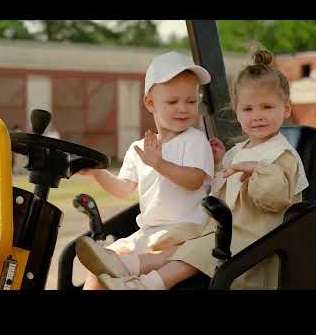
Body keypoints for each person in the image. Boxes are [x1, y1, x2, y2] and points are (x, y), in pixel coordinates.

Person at [78, 49, 309, 290]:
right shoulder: (238, 151)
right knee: (100, 266)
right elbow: (224, 188)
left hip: (250, 238)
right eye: (249, 109)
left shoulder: (280, 154)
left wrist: (255, 171)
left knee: (194, 250)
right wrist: (96, 172)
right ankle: (129, 273)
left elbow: (274, 196)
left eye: (267, 107)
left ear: (286, 109)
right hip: (203, 231)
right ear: (237, 112)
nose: (258, 116)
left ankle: (144, 284)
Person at [76, 51, 214, 290]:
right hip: (148, 233)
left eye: (191, 101)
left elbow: (194, 180)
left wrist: (159, 164)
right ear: (150, 103)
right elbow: (123, 189)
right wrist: (98, 173)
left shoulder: (194, 140)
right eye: (172, 102)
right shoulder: (139, 148)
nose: (183, 109)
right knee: (100, 263)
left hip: (185, 232)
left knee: (123, 263)